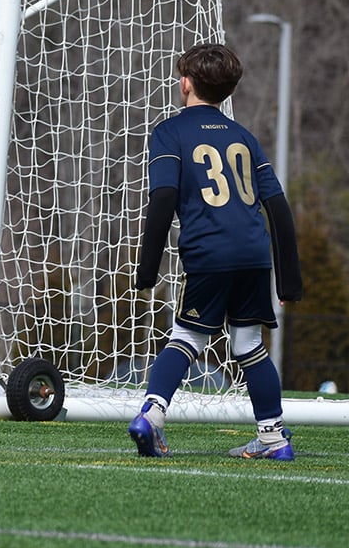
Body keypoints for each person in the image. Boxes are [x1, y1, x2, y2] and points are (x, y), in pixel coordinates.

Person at [127, 43, 303, 461]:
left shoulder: (170, 132)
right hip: (255, 254)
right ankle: (273, 438)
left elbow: (164, 198)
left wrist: (147, 270)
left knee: (187, 335)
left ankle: (151, 415)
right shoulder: (244, 137)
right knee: (248, 344)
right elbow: (277, 206)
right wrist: (290, 278)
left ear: (186, 83)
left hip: (209, 252)